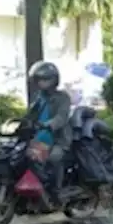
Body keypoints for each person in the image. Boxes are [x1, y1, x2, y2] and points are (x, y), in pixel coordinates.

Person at [24, 61, 72, 200]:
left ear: (54, 80)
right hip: (40, 139)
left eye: (46, 79)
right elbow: (30, 115)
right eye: (39, 80)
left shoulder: (63, 97)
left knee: (53, 158)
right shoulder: (38, 98)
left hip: (58, 140)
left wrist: (49, 124)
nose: (42, 83)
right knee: (24, 156)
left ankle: (57, 191)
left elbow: (61, 117)